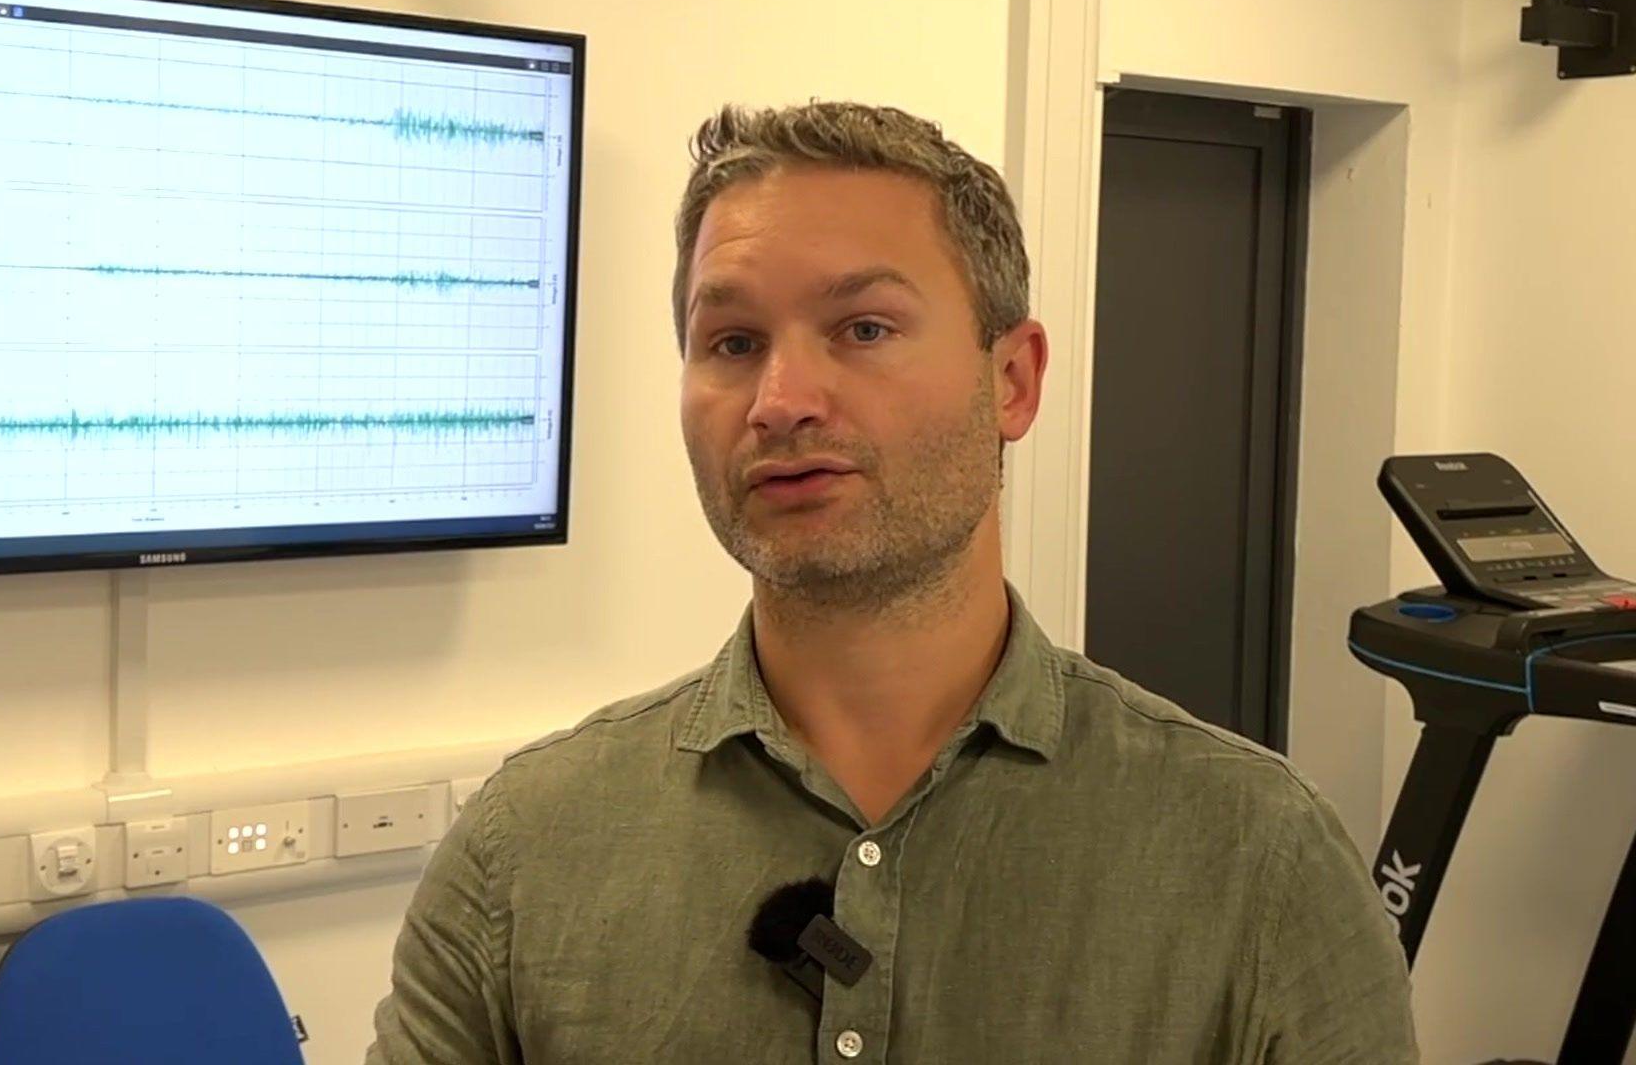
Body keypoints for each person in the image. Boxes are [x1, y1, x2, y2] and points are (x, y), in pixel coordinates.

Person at [365, 101, 1418, 1064]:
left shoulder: (1255, 860)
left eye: (862, 329)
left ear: (1011, 380)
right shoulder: (527, 852)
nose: (780, 400)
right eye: (731, 341)